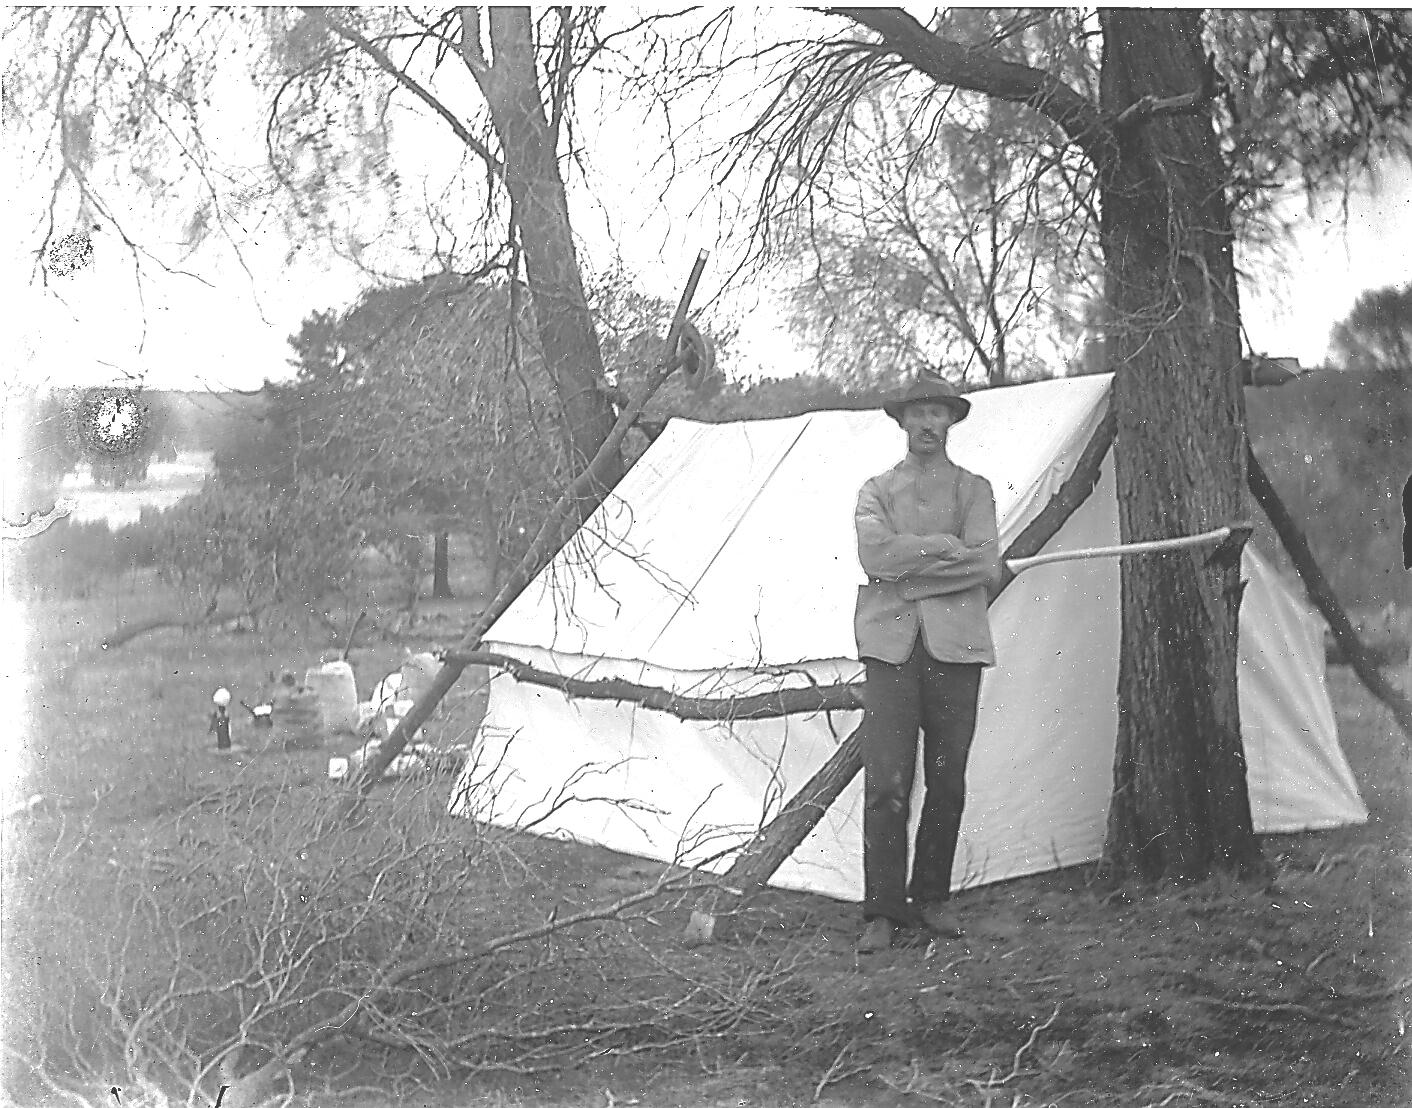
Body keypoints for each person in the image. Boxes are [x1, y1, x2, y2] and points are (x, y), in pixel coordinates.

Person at [853, 370, 1001, 954]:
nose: (927, 425)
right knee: (887, 783)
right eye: (917, 414)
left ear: (950, 421)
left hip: (956, 650)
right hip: (890, 650)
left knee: (947, 781)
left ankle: (931, 897)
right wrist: (944, 549)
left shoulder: (974, 490)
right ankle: (882, 911)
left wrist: (911, 569)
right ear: (901, 421)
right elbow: (875, 556)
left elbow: (985, 565)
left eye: (937, 414)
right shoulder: (875, 491)